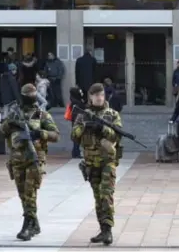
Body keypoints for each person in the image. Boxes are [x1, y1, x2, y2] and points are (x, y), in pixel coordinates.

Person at [0, 84, 60, 241]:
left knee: (30, 191)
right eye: (27, 95)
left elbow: (56, 135)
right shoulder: (13, 114)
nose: (29, 98)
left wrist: (39, 133)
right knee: (23, 194)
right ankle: (34, 223)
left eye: (32, 95)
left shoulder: (41, 115)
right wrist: (8, 124)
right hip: (16, 160)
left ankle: (27, 225)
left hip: (34, 159)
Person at [71, 83, 122, 245]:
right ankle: (102, 229)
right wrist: (86, 126)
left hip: (108, 161)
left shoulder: (112, 114)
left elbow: (117, 136)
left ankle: (108, 230)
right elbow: (74, 136)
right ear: (90, 97)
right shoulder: (82, 115)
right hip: (91, 163)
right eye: (96, 95)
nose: (99, 98)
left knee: (106, 194)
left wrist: (103, 129)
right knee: (98, 197)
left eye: (102, 95)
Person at [69, 87, 86, 158]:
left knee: (77, 137)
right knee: (77, 137)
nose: (81, 93)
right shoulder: (77, 102)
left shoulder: (74, 100)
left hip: (75, 120)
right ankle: (76, 153)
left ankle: (75, 152)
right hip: (77, 120)